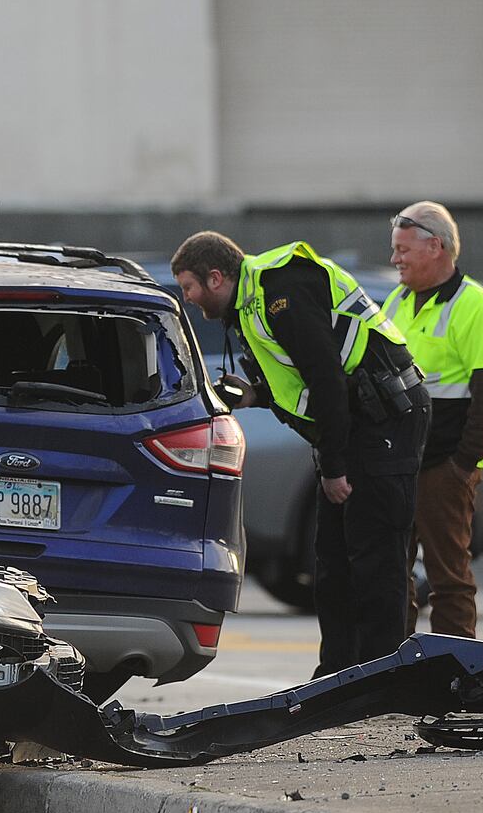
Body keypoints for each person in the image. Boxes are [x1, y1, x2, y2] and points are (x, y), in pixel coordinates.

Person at [170, 232, 428, 676]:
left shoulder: (278, 291)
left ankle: (384, 677)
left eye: (189, 287)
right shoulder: (250, 306)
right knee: (331, 562)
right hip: (353, 421)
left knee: (375, 558)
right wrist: (255, 395)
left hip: (385, 417)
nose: (188, 299)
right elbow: (301, 383)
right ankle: (337, 674)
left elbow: (326, 378)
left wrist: (334, 467)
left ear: (215, 278)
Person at [383, 202, 483, 639]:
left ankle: (455, 677)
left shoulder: (476, 307)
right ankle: (393, 670)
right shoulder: (395, 301)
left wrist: (462, 467)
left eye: (403, 250)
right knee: (392, 574)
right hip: (399, 464)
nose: (395, 260)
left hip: (445, 467)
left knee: (449, 579)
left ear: (436, 246)